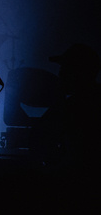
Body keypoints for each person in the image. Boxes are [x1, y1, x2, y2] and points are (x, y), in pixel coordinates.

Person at [37, 42, 100, 180]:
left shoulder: (73, 106)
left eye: (65, 69)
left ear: (78, 72)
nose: (60, 74)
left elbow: (39, 138)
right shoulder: (76, 103)